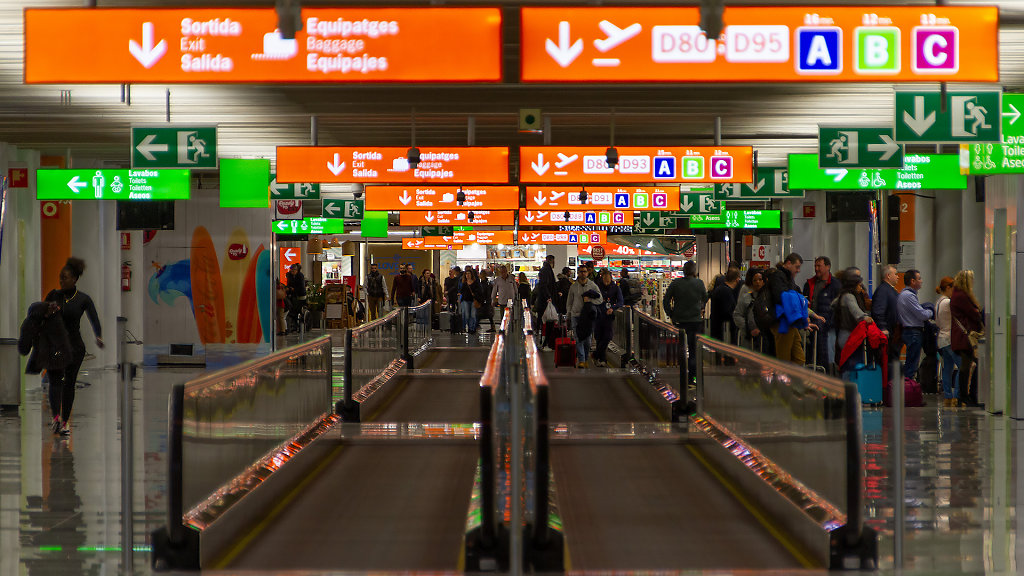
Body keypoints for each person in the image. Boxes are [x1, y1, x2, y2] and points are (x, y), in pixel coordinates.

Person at [43, 257, 104, 436]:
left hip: (75, 347)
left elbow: (94, 318)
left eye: (65, 278)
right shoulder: (53, 296)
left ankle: (65, 421)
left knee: (69, 383)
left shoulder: (83, 299)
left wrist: (98, 335)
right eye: (60, 277)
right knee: (54, 381)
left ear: (75, 279)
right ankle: (55, 418)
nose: (61, 280)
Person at [19, 300, 73, 435]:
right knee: (57, 383)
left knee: (55, 383)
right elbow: (64, 337)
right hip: (59, 355)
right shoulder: (56, 317)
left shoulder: (31, 321)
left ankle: (56, 417)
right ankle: (58, 417)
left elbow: (23, 348)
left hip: (46, 355)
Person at [767, 253, 816, 365]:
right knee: (784, 359)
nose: (798, 270)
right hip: (782, 322)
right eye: (797, 267)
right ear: (788, 263)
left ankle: (793, 381)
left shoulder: (786, 278)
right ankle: (784, 381)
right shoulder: (778, 276)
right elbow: (781, 297)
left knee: (799, 358)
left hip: (789, 322)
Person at [662, 260, 708, 377]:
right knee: (693, 350)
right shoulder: (699, 283)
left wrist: (670, 313)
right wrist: (700, 307)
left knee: (681, 348)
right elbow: (705, 298)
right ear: (694, 271)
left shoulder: (676, 283)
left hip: (679, 320)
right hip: (695, 321)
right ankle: (692, 376)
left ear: (683, 271)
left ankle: (681, 373)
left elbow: (665, 300)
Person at [950, 270, 983, 407]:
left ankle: (966, 395)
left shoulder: (956, 295)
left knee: (968, 366)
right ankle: (966, 396)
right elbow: (973, 313)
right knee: (969, 366)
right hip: (965, 336)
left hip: (961, 336)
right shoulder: (962, 296)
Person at [832, 267, 873, 374]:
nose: (861, 287)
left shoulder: (842, 295)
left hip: (844, 334)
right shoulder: (849, 297)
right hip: (849, 336)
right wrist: (866, 317)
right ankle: (849, 389)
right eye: (859, 284)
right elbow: (857, 312)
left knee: (848, 364)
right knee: (851, 366)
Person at [803, 256, 841, 372]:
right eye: (815, 266)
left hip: (828, 326)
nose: (816, 268)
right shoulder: (809, 284)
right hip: (811, 324)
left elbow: (838, 307)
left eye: (819, 266)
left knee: (826, 353)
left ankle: (826, 373)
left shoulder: (835, 285)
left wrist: (830, 321)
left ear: (828, 267)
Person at [897, 269, 934, 383]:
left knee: (911, 361)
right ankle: (908, 390)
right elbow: (921, 315)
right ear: (912, 281)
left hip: (911, 331)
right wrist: (931, 312)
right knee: (912, 363)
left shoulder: (907, 295)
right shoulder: (908, 296)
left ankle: (908, 389)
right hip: (913, 332)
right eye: (919, 279)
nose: (921, 281)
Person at [566, 266, 604, 368]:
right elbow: (569, 302)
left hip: (588, 316)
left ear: (588, 273)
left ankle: (586, 359)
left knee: (587, 339)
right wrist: (568, 315)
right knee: (578, 338)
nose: (583, 273)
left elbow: (600, 299)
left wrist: (590, 301)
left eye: (585, 272)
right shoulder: (573, 287)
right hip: (576, 315)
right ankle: (581, 360)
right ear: (578, 273)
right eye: (581, 272)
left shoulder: (592, 285)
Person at [934, 276, 960, 407]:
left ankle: (948, 397)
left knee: (947, 368)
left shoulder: (938, 302)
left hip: (941, 339)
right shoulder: (948, 303)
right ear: (948, 288)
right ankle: (956, 397)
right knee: (962, 366)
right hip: (950, 338)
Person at [592, 269, 624, 367]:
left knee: (607, 337)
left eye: (608, 279)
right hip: (598, 315)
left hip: (608, 316)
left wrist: (612, 308)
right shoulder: (597, 287)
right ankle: (602, 359)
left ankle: (596, 354)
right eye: (604, 279)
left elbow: (620, 301)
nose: (606, 281)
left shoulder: (615, 288)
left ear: (611, 278)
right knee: (599, 337)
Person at [871, 265, 901, 361]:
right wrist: (882, 327)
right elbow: (878, 310)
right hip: (888, 333)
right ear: (888, 275)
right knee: (889, 361)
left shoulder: (890, 290)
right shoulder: (883, 290)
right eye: (895, 274)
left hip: (894, 333)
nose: (898, 276)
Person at [733, 268, 764, 350]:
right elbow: (737, 315)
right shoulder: (746, 296)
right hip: (748, 337)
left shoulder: (767, 298)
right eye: (755, 280)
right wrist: (747, 328)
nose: (758, 282)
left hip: (763, 338)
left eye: (760, 280)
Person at [710, 268, 740, 343]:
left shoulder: (720, 289)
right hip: (724, 332)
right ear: (737, 280)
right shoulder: (726, 292)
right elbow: (728, 312)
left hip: (717, 329)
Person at [460, 268, 485, 334]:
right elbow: (461, 291)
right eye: (466, 274)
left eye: (469, 274)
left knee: (473, 314)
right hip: (466, 300)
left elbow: (479, 291)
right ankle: (469, 326)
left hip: (473, 300)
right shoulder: (464, 283)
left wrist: (475, 294)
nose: (467, 275)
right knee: (467, 315)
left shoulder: (475, 283)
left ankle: (472, 328)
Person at [285, 263, 306, 333]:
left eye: (294, 270)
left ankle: (300, 327)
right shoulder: (290, 276)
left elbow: (301, 287)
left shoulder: (300, 276)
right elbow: (289, 284)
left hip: (300, 295)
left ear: (297, 270)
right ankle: (294, 326)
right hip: (293, 295)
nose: (292, 272)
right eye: (291, 270)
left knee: (299, 311)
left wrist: (294, 289)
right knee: (293, 311)